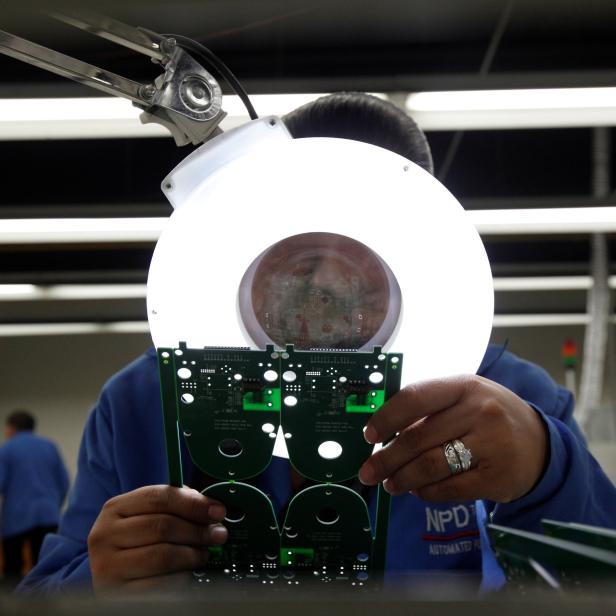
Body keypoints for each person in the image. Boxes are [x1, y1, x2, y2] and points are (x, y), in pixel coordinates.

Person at [19, 93, 616, 594]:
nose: (327, 287)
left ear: (420, 240)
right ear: (252, 227)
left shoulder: (504, 398)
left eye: (360, 257)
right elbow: (43, 593)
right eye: (301, 264)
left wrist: (547, 468)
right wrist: (95, 580)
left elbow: (599, 564)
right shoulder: (143, 403)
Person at [0, 410, 69, 588]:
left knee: (13, 570)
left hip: (17, 517)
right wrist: (54, 504)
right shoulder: (49, 446)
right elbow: (64, 481)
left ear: (11, 428)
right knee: (44, 567)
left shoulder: (7, 449)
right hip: (48, 514)